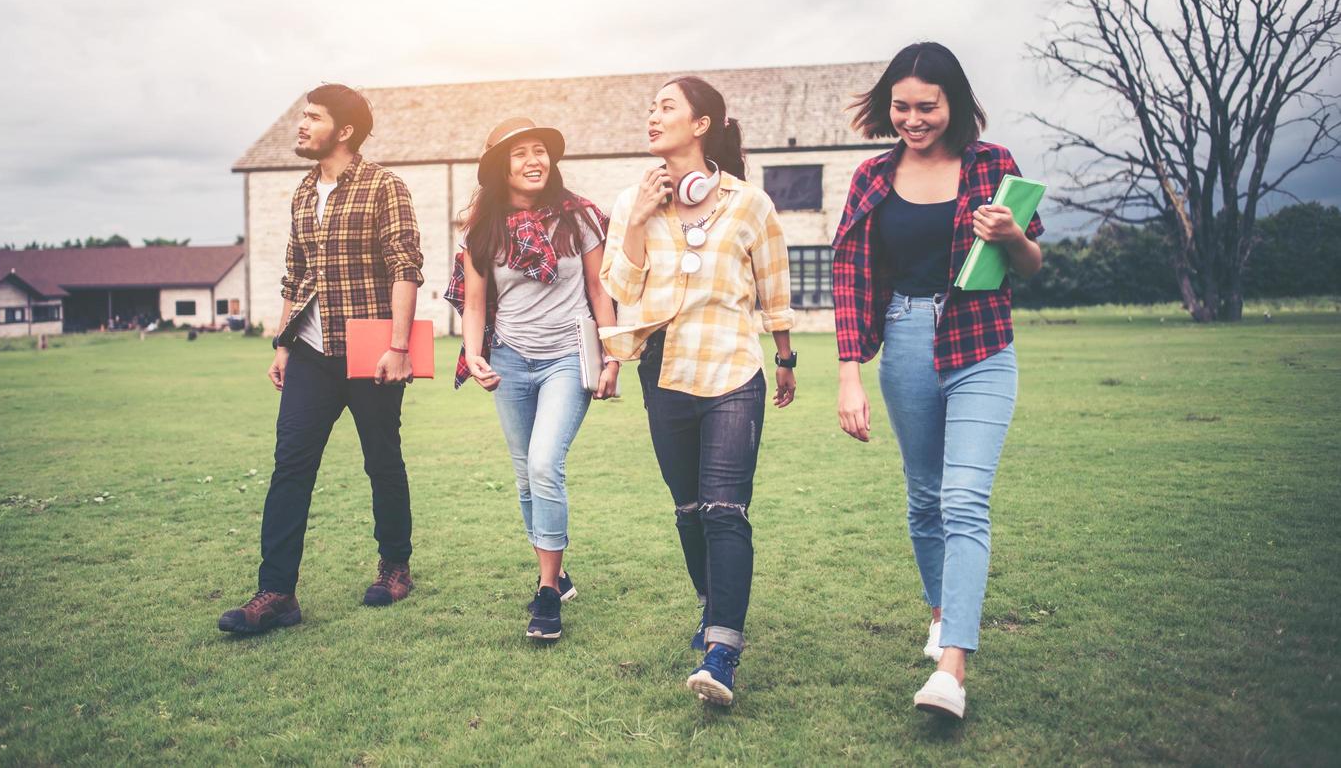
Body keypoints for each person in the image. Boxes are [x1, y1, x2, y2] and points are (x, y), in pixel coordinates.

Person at [831, 42, 1044, 719]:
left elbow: (1031, 265)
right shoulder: (870, 176)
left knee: (962, 499)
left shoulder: (992, 165)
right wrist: (848, 375)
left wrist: (1011, 234)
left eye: (927, 106)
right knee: (923, 499)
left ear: (953, 103)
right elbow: (848, 275)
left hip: (980, 343)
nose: (913, 119)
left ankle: (951, 668)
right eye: (901, 106)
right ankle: (939, 613)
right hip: (904, 341)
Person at [599, 75, 796, 707]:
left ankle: (722, 653)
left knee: (724, 509)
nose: (653, 116)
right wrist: (639, 219)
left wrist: (786, 357)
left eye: (666, 107)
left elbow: (775, 287)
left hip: (734, 369)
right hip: (664, 371)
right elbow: (621, 288)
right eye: (650, 108)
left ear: (701, 123)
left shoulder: (749, 204)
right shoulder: (634, 199)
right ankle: (713, 605)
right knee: (688, 509)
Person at [219, 83, 424, 635]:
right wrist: (284, 343)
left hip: (370, 345)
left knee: (381, 459)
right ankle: (277, 593)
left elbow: (405, 267)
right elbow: (297, 273)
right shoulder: (303, 192)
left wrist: (398, 347)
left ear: (346, 130)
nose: (302, 126)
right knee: (290, 466)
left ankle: (395, 566)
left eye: (312, 117)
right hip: (311, 349)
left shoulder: (386, 187)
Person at [445, 117, 618, 641]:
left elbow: (599, 289)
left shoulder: (580, 218)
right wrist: (474, 354)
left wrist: (613, 356)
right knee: (525, 475)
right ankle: (557, 574)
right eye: (519, 154)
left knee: (545, 462)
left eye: (539, 150)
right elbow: (475, 301)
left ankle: (546, 594)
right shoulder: (484, 226)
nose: (533, 160)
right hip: (511, 359)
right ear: (502, 168)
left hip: (568, 357)